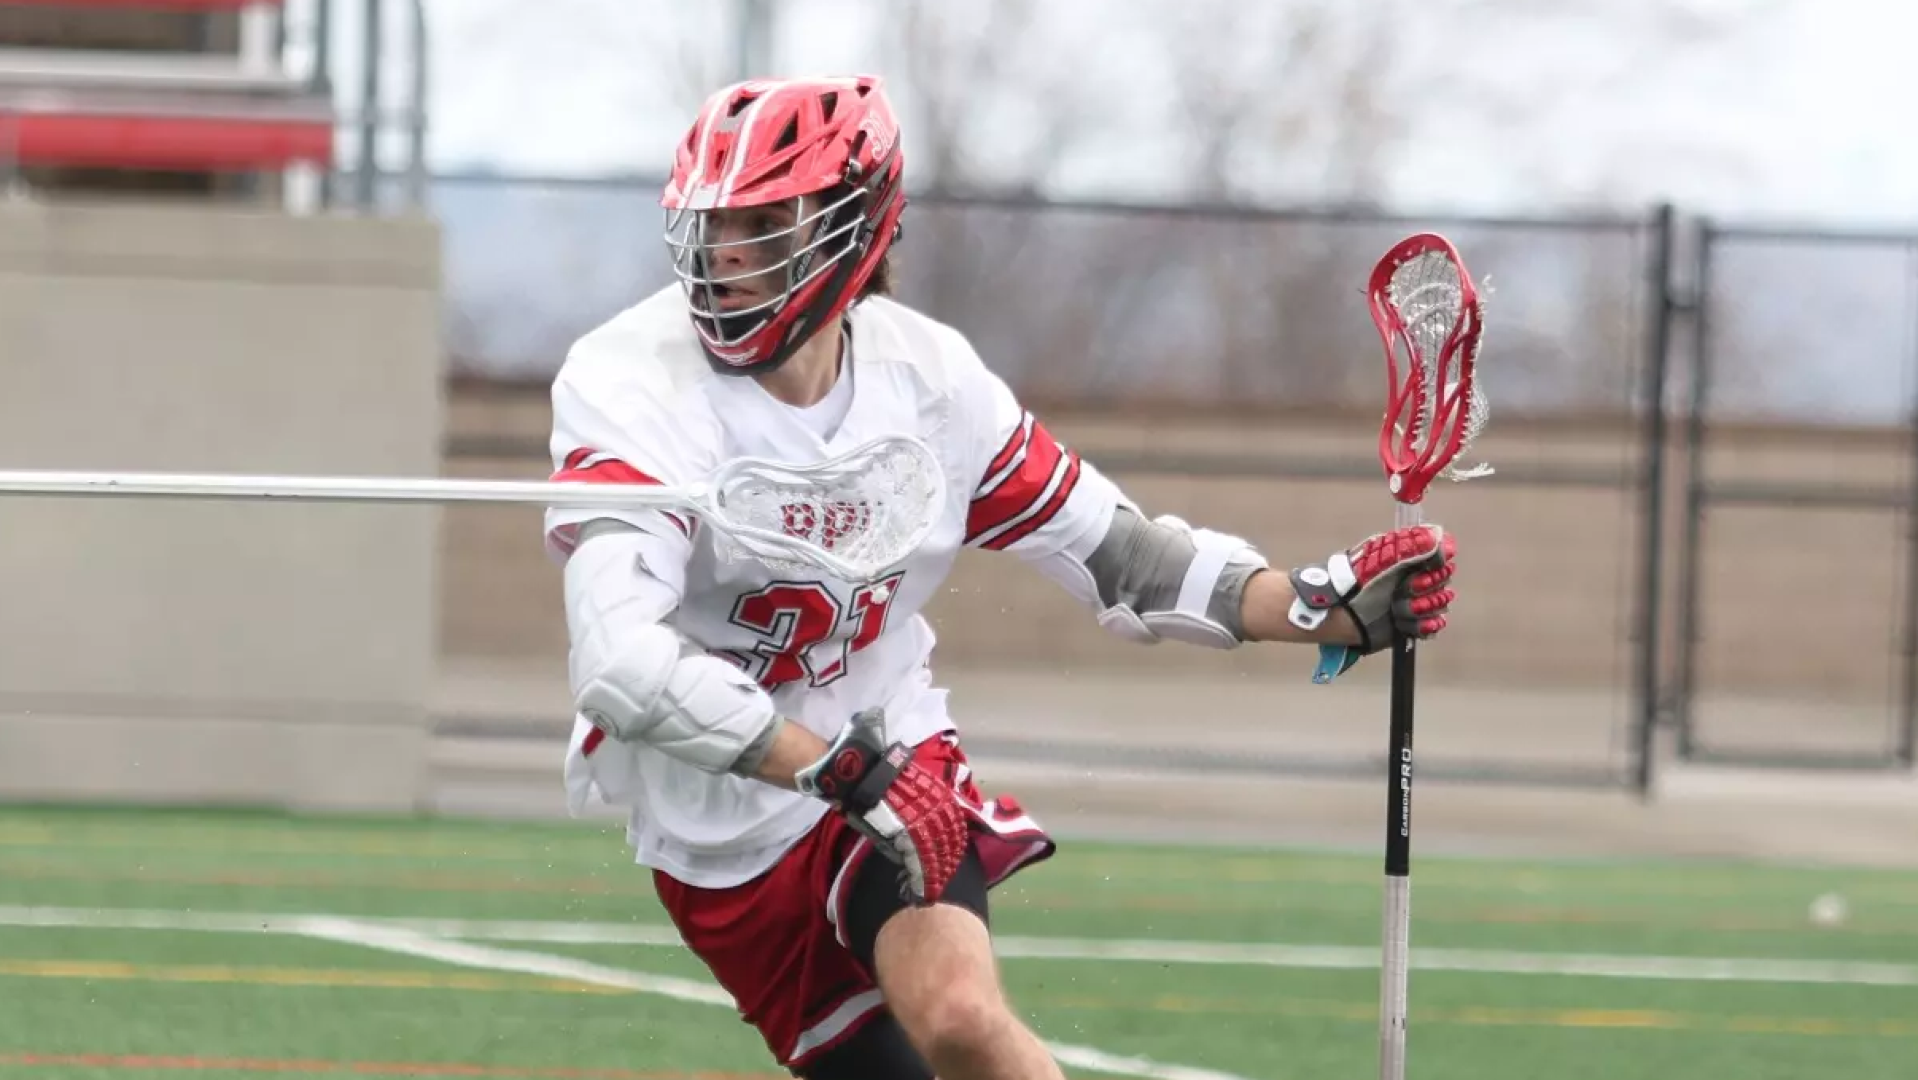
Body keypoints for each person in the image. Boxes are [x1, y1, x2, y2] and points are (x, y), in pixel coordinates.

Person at [545, 74, 1459, 1080]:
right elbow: (622, 665)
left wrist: (1317, 608)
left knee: (963, 1023)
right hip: (719, 818)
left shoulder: (930, 383)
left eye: (762, 224)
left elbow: (1130, 561)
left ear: (853, 228)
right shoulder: (628, 379)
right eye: (711, 228)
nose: (724, 260)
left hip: (887, 742)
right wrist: (836, 770)